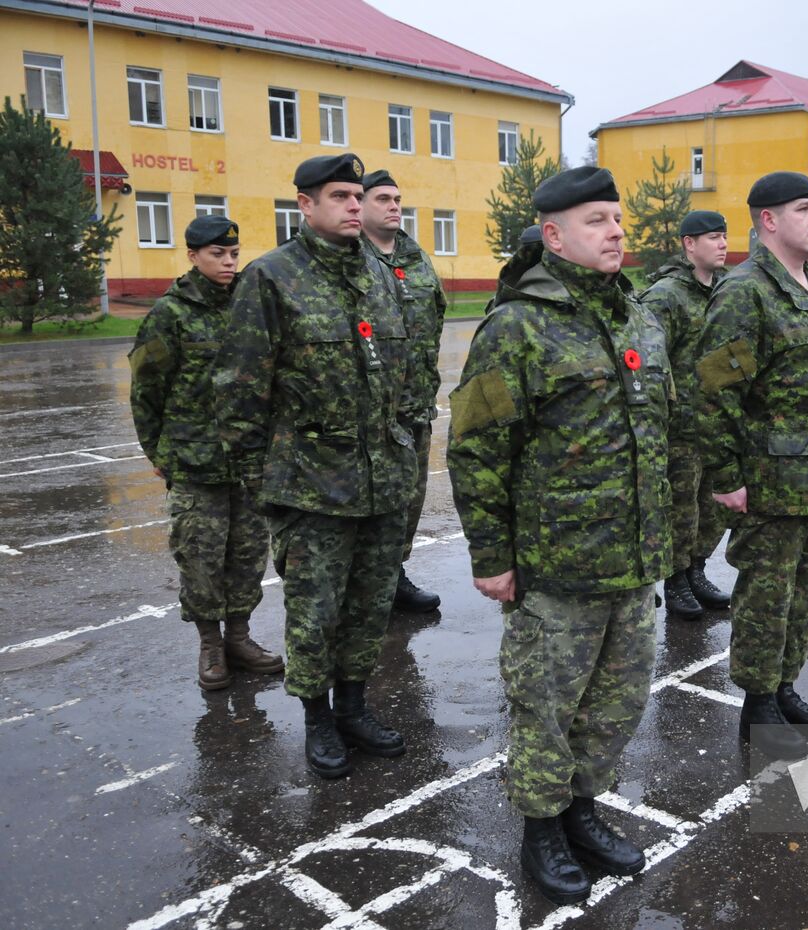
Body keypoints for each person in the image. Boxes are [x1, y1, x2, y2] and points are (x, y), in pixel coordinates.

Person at [446, 167, 668, 904]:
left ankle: (583, 812)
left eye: (617, 218)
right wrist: (492, 556)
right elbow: (477, 447)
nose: (615, 232)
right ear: (554, 235)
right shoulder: (517, 325)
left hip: (632, 558)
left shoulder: (636, 315)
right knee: (546, 705)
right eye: (598, 220)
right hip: (556, 566)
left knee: (616, 702)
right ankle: (541, 830)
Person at [214, 153, 412, 780]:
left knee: (369, 607)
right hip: (309, 488)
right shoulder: (271, 278)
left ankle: (354, 707)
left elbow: (400, 371)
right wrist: (263, 487)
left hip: (382, 480)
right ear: (305, 204)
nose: (355, 206)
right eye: (339, 196)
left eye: (358, 195)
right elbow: (239, 390)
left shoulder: (381, 273)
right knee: (314, 614)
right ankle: (318, 719)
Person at [695, 170, 808, 761]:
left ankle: (785, 688)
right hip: (769, 483)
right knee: (767, 597)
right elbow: (712, 394)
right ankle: (757, 707)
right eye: (804, 209)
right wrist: (727, 477)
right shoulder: (745, 293)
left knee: (807, 594)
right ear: (769, 221)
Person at [129, 215, 284, 692]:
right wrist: (159, 453)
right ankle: (210, 645)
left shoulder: (249, 307)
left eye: (234, 254)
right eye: (218, 254)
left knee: (247, 555)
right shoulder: (170, 314)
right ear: (193, 255)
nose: (229, 262)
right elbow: (146, 390)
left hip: (248, 461)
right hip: (195, 462)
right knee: (199, 556)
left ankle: (239, 637)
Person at [360, 169, 447, 613]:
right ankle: (367, 586)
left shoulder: (416, 258)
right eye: (383, 199)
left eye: (397, 198)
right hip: (371, 415)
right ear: (358, 205)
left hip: (415, 408)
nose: (394, 205)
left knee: (409, 501)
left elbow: (436, 318)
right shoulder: (351, 258)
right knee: (371, 503)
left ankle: (394, 576)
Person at [642, 209, 733, 619]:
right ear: (689, 244)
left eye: (724, 237)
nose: (722, 244)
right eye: (713, 237)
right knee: (680, 506)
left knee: (713, 506)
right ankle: (676, 578)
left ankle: (696, 569)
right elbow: (649, 361)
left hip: (719, 421)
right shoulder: (666, 295)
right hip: (680, 427)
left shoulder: (728, 290)